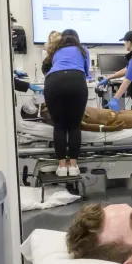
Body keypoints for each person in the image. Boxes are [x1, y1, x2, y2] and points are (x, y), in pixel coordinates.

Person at [43, 29, 90, 177]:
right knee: (74, 126)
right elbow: (86, 73)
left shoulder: (56, 50)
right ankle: (74, 166)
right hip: (76, 81)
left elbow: (46, 68)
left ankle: (62, 166)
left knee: (59, 126)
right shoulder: (83, 50)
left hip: (53, 82)